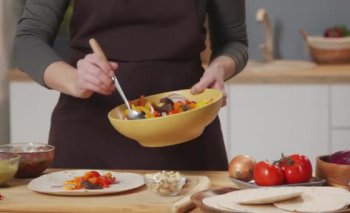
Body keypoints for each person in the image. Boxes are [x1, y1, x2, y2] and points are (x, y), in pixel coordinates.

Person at [14, 0, 248, 170]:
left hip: (185, 129)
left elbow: (234, 41)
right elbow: (28, 41)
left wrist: (219, 69)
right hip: (90, 136)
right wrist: (75, 80)